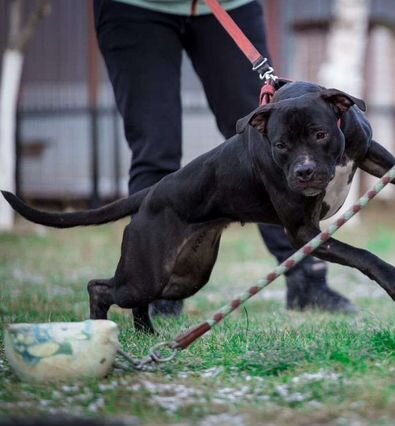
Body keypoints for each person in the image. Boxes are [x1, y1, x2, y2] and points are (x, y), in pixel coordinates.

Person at [93, 0, 355, 316]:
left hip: (228, 6)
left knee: (271, 138)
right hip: (135, 8)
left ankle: (305, 278)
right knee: (155, 150)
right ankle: (158, 288)